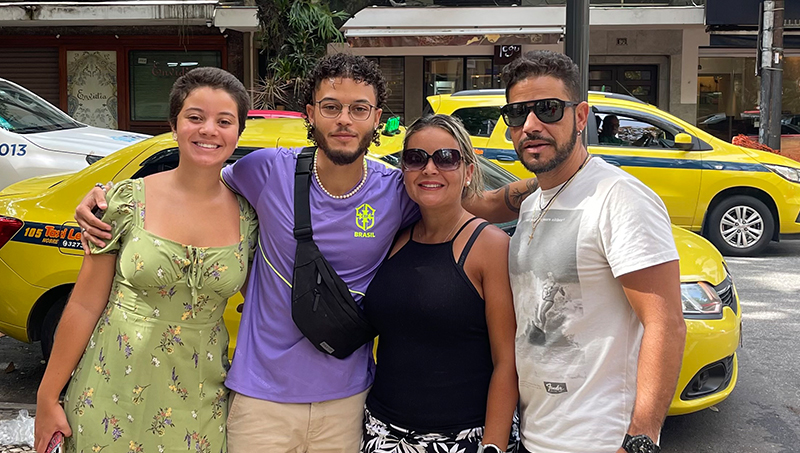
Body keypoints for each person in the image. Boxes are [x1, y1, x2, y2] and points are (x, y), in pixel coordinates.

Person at [76, 53, 533, 452]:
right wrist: (106, 194)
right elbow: (192, 186)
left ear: (378, 119)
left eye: (359, 109)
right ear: (311, 114)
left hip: (349, 399)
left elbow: (467, 202)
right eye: (331, 107)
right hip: (261, 399)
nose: (344, 121)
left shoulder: (397, 189)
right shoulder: (262, 170)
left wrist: (551, 182)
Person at [35, 67, 258, 453]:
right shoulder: (123, 201)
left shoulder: (249, 216)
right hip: (110, 389)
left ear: (238, 132)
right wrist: (47, 396)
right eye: (195, 117)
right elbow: (86, 304)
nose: (209, 130)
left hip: (200, 400)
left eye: (224, 121)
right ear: (174, 125)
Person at [501, 50, 685, 453]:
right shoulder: (535, 200)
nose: (531, 125)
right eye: (517, 114)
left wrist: (639, 439)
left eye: (548, 109)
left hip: (599, 439)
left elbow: (666, 324)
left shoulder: (620, 197)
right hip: (536, 432)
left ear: (581, 117)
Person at [361, 115, 518, 453]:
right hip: (383, 433)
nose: (429, 169)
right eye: (416, 158)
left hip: (464, 438)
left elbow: (507, 362)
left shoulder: (489, 246)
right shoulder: (394, 238)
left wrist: (493, 445)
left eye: (446, 158)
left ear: (469, 171)